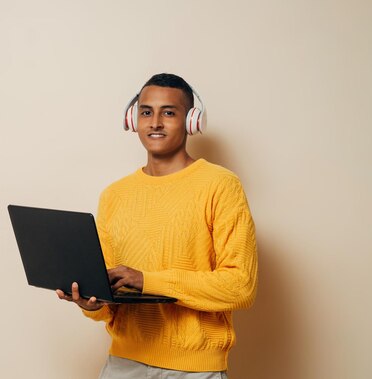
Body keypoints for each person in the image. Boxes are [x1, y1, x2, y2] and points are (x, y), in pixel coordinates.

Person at [56, 73, 258, 378]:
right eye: (146, 112)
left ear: (192, 121)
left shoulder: (220, 185)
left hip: (194, 371)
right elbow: (111, 299)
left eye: (169, 112)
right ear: (132, 119)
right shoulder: (114, 195)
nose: (155, 123)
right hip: (121, 366)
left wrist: (146, 280)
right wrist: (91, 303)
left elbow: (240, 286)